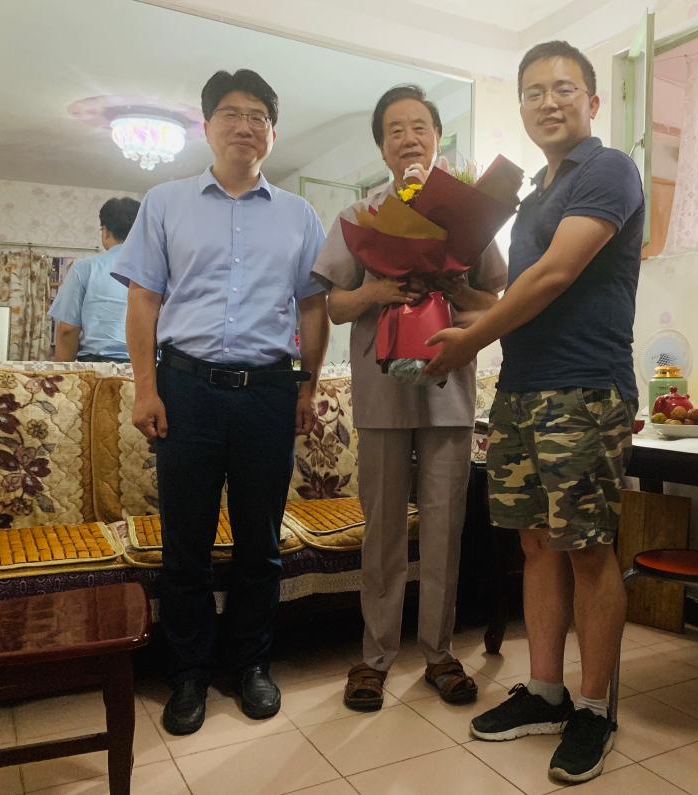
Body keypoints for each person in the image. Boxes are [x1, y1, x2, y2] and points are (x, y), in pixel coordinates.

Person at [426, 41, 644, 784]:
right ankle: (546, 692)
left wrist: (470, 339)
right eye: (533, 92)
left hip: (583, 389)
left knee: (587, 549)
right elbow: (517, 298)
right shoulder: (533, 198)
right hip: (521, 390)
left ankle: (594, 709)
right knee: (537, 545)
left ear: (593, 101)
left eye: (564, 88)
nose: (548, 102)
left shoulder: (608, 170)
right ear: (520, 105)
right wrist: (452, 295)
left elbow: (555, 275)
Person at [113, 69, 329, 736]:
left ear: (272, 133)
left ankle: (251, 664)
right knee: (187, 544)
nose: (245, 126)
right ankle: (187, 673)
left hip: (268, 392)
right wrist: (146, 387)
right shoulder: (165, 202)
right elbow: (143, 300)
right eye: (232, 113)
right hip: (187, 390)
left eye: (259, 115)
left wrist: (307, 385)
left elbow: (313, 307)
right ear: (206, 127)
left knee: (261, 543)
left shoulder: (299, 215)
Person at [311, 84, 507, 712]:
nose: (408, 138)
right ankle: (374, 659)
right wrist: (377, 291)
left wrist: (452, 286)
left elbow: (495, 301)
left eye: (419, 126)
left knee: (446, 529)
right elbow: (334, 305)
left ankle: (440, 654)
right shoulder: (361, 217)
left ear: (438, 138)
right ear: (381, 147)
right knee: (383, 533)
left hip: (449, 391)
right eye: (394, 129)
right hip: (381, 395)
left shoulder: (467, 214)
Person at [49, 197, 140, 362]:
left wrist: (63, 374)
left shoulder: (84, 267)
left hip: (97, 366)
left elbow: (67, 330)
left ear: (105, 231)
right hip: (145, 368)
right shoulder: (157, 270)